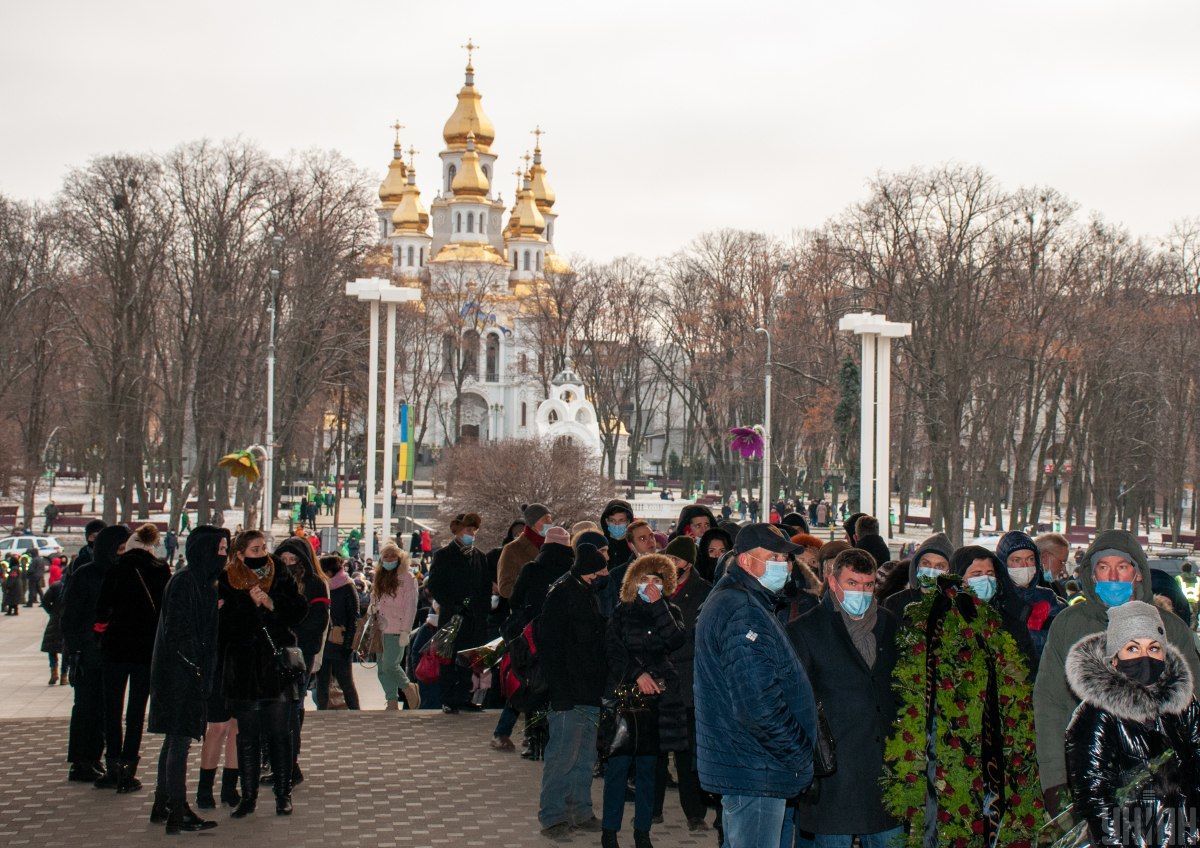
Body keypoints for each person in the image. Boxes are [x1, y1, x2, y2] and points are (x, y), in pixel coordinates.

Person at [1033, 530, 1200, 819]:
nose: (1113, 576)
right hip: (1092, 776)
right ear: (1092, 574)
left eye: (1122, 566)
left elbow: (1193, 707)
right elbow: (1051, 705)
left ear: (1137, 573)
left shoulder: (1171, 629)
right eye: (1103, 567)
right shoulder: (1069, 625)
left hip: (1166, 787)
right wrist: (1056, 782)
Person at [694, 523, 817, 847]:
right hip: (757, 766)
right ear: (746, 561)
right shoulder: (743, 611)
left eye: (787, 559)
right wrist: (801, 755)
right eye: (774, 557)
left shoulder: (743, 600)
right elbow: (758, 706)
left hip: (748, 764)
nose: (784, 565)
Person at [787, 547, 901, 848]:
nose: (861, 592)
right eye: (852, 583)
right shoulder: (806, 630)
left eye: (867, 585)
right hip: (835, 774)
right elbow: (797, 702)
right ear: (833, 582)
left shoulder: (890, 625)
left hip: (884, 772)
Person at [1064, 600, 1200, 846]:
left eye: (1154, 648)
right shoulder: (1096, 715)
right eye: (1133, 649)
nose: (1145, 658)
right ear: (1115, 658)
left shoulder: (1181, 704)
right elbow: (1095, 799)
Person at [217, 530, 307, 817]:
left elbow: (299, 611)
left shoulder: (279, 573)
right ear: (240, 554)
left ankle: (283, 794)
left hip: (275, 666)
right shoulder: (227, 579)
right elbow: (223, 626)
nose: (262, 554)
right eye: (255, 550)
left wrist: (271, 604)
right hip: (243, 668)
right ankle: (249, 796)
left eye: (264, 548)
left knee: (280, 733)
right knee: (248, 736)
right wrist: (248, 604)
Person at [146, 526, 227, 834]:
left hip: (184, 671)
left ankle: (164, 803)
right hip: (180, 675)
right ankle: (176, 810)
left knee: (175, 739)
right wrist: (196, 665)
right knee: (179, 741)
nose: (223, 554)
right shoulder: (187, 581)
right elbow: (181, 631)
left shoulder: (201, 582)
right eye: (219, 548)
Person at [603, 554, 687, 848]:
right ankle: (609, 831)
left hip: (660, 700)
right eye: (644, 580)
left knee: (650, 769)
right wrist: (637, 673)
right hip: (627, 696)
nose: (650, 585)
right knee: (618, 766)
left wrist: (659, 607)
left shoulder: (670, 610)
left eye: (656, 580)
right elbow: (613, 649)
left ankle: (642, 831)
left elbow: (676, 640)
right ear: (633, 582)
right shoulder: (622, 611)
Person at [537, 541, 610, 841]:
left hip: (588, 689)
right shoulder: (563, 594)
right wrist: (559, 692)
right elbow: (551, 648)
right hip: (567, 692)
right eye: (602, 567)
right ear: (591, 570)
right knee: (563, 755)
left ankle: (581, 810)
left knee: (584, 755)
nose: (607, 571)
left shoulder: (584, 591)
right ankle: (553, 815)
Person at [94, 523, 171, 792]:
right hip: (146, 650)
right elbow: (165, 612)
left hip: (115, 648)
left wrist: (101, 633)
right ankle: (129, 769)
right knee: (137, 711)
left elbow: (102, 610)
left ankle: (112, 765)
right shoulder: (162, 571)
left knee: (112, 709)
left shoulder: (117, 568)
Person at [62, 524, 129, 785]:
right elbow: (70, 617)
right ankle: (81, 761)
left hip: (112, 652)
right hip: (89, 653)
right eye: (120, 549)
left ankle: (95, 757)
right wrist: (79, 647)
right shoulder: (86, 574)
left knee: (105, 709)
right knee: (86, 708)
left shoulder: (122, 573)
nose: (122, 554)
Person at [661, 536, 712, 831]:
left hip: (689, 681)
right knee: (657, 752)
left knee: (688, 750)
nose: (673, 565)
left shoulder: (703, 592)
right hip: (661, 680)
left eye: (678, 561)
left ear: (689, 564)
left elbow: (697, 638)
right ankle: (652, 809)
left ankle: (695, 812)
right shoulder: (658, 589)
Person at [273, 537, 329, 784]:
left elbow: (318, 622)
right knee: (277, 709)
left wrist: (292, 630)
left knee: (292, 708)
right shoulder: (273, 581)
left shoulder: (315, 584)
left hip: (299, 655)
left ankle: (290, 763)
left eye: (292, 559)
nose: (287, 564)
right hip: (274, 653)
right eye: (283, 559)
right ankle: (278, 761)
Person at [427, 513, 491, 713]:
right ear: (457, 531)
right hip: (453, 616)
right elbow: (435, 585)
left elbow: (485, 587)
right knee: (449, 658)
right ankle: (448, 699)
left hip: (474, 617)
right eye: (467, 530)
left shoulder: (479, 556)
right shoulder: (444, 555)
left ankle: (464, 696)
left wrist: (483, 611)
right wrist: (454, 605)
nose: (471, 534)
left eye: (473, 530)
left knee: (468, 657)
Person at [949, 544, 1039, 671]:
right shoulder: (945, 618)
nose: (985, 579)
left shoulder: (1011, 618)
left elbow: (1031, 665)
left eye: (990, 573)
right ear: (958, 579)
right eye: (977, 574)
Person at [997, 530, 1065, 658]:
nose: (1025, 565)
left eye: (1030, 559)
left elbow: (1061, 637)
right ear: (1003, 563)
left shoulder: (1048, 597)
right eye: (1017, 560)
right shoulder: (996, 598)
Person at [371, 543, 420, 711]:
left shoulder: (407, 578)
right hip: (380, 628)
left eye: (393, 556)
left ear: (400, 558)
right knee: (382, 669)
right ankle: (391, 700)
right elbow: (375, 598)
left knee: (390, 665)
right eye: (386, 556)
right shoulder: (379, 576)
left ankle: (408, 688)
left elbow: (410, 606)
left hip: (397, 628)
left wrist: (406, 630)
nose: (390, 559)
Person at [315, 555, 361, 710]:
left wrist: (348, 645)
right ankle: (321, 713)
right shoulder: (321, 586)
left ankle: (356, 713)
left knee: (346, 682)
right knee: (322, 683)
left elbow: (354, 617)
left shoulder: (348, 586)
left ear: (329, 571)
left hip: (340, 643)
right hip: (323, 642)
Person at [880, 532, 953, 618]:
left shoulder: (959, 609)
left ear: (950, 571)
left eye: (940, 566)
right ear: (916, 566)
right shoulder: (894, 603)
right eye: (926, 563)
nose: (931, 571)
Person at [604, 519, 659, 617]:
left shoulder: (666, 569)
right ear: (631, 545)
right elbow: (612, 613)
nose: (650, 541)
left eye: (651, 536)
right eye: (642, 539)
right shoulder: (618, 575)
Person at [498, 504, 551, 600]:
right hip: (527, 610)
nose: (550, 522)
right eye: (546, 519)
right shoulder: (512, 549)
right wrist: (533, 592)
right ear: (533, 523)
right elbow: (505, 588)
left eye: (550, 518)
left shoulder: (552, 546)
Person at [41, 576, 67, 685]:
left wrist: (52, 612)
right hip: (68, 620)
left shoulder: (56, 586)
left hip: (55, 620)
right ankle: (64, 675)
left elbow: (45, 601)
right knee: (67, 649)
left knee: (52, 648)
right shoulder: (74, 585)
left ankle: (54, 671)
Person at [601, 499, 636, 569]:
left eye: (621, 520)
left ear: (628, 521)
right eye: (612, 520)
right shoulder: (599, 545)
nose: (616, 524)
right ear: (606, 521)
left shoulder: (635, 545)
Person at [1035, 532, 1073, 598]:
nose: (1063, 568)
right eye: (1062, 562)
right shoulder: (1026, 589)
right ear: (1044, 557)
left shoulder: (1056, 588)